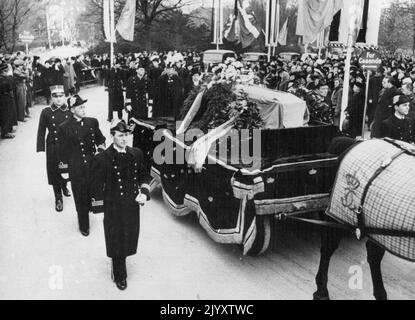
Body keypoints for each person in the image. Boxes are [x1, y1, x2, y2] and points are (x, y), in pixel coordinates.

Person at [89, 120, 151, 291]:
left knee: (129, 237)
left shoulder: (136, 153)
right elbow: (95, 186)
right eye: (120, 135)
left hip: (132, 205)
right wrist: (99, 209)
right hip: (113, 207)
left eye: (126, 135)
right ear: (112, 136)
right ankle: (119, 273)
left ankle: (118, 263)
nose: (125, 139)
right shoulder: (101, 158)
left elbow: (144, 176)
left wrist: (144, 193)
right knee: (116, 240)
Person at [58, 95, 106, 236]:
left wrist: (101, 151)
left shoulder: (92, 122)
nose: (83, 109)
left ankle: (97, 212)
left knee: (96, 190)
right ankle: (83, 223)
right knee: (80, 195)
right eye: (80, 107)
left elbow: (101, 139)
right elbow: (62, 150)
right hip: (76, 166)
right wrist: (64, 170)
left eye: (84, 107)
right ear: (72, 110)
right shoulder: (64, 128)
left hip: (93, 164)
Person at [36, 85, 72, 212]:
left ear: (65, 97)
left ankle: (64, 185)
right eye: (55, 96)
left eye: (61, 96)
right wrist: (40, 149)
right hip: (53, 145)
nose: (58, 99)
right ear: (51, 97)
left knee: (67, 168)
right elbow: (41, 131)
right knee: (54, 171)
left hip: (67, 146)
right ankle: (58, 197)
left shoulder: (69, 111)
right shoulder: (46, 112)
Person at [0, 61, 15, 139]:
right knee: (6, 115)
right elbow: (9, 86)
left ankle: (6, 131)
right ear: (3, 71)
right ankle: (4, 133)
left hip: (5, 97)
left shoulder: (4, 78)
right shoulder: (3, 79)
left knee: (7, 115)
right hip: (4, 98)